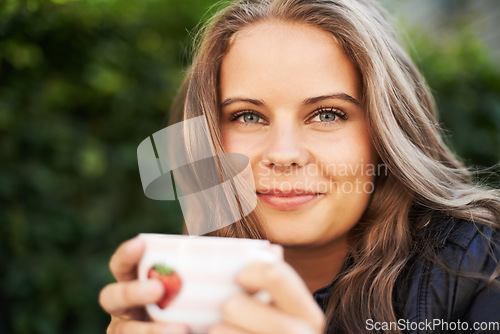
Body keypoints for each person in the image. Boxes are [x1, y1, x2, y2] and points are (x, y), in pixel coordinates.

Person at [99, 0, 500, 333]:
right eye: (247, 116)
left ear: (385, 133)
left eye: (327, 114)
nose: (284, 154)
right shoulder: (189, 281)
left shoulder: (482, 265)